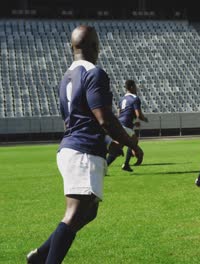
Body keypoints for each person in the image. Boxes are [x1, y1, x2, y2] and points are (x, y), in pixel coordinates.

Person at [26, 25, 143, 263]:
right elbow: (104, 118)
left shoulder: (66, 76)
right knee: (75, 213)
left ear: (72, 47)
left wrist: (107, 141)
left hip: (73, 147)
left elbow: (82, 118)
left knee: (89, 211)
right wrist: (131, 143)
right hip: (83, 151)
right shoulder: (94, 73)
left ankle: (41, 254)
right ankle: (45, 259)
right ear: (95, 46)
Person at [106, 80, 148, 172]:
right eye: (135, 86)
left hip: (120, 124)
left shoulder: (122, 99)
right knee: (133, 141)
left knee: (119, 148)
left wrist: (133, 123)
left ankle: (104, 167)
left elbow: (120, 113)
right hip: (125, 126)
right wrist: (144, 119)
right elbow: (138, 115)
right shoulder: (135, 98)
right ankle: (126, 163)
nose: (136, 88)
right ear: (132, 87)